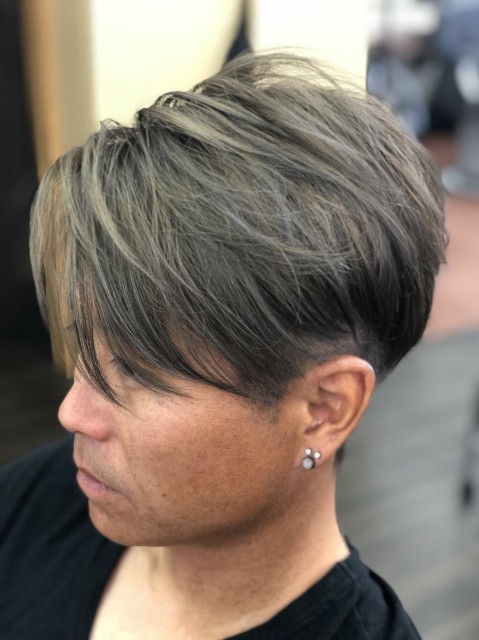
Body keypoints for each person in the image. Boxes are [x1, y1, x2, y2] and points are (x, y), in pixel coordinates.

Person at [0, 52, 445, 639]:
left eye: (135, 370)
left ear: (324, 408)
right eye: (82, 343)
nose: (71, 413)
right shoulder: (46, 497)